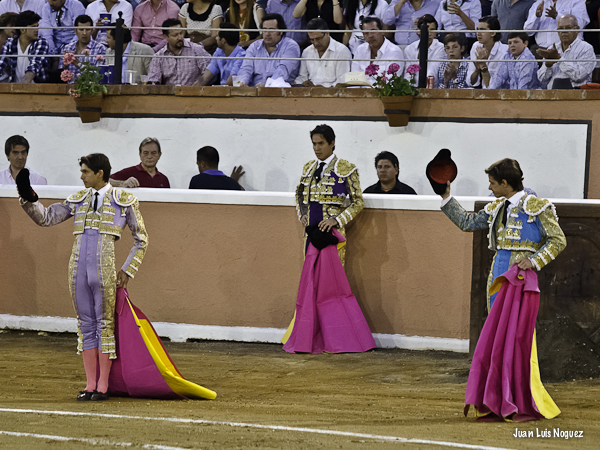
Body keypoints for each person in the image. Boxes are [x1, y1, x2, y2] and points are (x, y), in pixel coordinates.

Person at [439, 158, 566, 421]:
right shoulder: (497, 206)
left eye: (493, 183)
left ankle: (518, 397)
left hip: (520, 279)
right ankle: (496, 397)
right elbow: (467, 222)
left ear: (506, 183)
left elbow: (558, 240)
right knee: (497, 336)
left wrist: (534, 260)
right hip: (496, 278)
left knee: (517, 337)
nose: (490, 188)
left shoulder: (538, 207)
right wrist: (446, 199)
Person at [17, 153, 149, 401]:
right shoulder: (78, 199)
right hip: (77, 269)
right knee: (85, 325)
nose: (81, 176)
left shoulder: (124, 200)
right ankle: (90, 385)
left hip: (105, 271)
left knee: (104, 325)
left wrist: (128, 270)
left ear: (100, 173)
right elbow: (46, 218)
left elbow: (142, 239)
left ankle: (103, 385)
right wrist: (28, 197)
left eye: (85, 172)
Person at [295, 124, 364, 266]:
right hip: (310, 230)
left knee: (330, 273)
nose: (316, 148)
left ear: (332, 143)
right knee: (311, 273)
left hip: (331, 230)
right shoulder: (308, 168)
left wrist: (336, 220)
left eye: (321, 143)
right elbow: (300, 194)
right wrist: (302, 214)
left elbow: (357, 202)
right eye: (314, 144)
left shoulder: (346, 168)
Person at [237, 13, 301, 86]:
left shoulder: (291, 46)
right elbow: (246, 68)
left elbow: (283, 71)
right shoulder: (254, 46)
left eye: (271, 30)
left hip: (281, 91)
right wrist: (243, 82)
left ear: (281, 31)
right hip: (255, 90)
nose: (267, 34)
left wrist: (267, 85)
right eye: (264, 30)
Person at [537, 14, 595, 89]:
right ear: (558, 31)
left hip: (577, 95)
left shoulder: (586, 48)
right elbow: (542, 79)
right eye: (561, 28)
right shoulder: (552, 48)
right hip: (552, 95)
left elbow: (579, 76)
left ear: (577, 29)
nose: (564, 31)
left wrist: (559, 59)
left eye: (568, 28)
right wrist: (548, 66)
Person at [147, 18, 211, 85]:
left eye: (181, 33)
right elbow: (153, 81)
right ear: (166, 37)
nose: (180, 37)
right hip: (170, 94)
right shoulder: (158, 57)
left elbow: (209, 74)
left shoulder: (197, 50)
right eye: (175, 35)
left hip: (193, 93)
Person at [295, 17, 351, 87]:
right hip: (310, 94)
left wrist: (322, 90)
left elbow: (342, 81)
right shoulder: (306, 52)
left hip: (333, 95)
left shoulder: (342, 51)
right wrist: (297, 83)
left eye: (318, 39)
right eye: (312, 40)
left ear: (327, 33)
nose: (315, 43)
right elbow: (303, 77)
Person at [0, 10, 50, 83]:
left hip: (38, 89)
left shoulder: (41, 42)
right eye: (33, 27)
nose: (37, 30)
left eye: (37, 26)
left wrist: (23, 86)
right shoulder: (10, 42)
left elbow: (34, 65)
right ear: (22, 30)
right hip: (15, 88)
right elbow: (1, 63)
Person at [351, 16, 404, 83]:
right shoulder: (360, 49)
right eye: (366, 33)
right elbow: (355, 79)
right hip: (361, 92)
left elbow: (391, 83)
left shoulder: (394, 52)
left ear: (382, 31)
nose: (370, 36)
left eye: (373, 31)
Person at [524, 0, 589, 50]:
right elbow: (528, 32)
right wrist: (536, 17)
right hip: (542, 50)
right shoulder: (538, 3)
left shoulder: (576, 1)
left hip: (568, 50)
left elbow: (579, 25)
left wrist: (557, 16)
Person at [403, 14, 446, 86]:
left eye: (432, 30)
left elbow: (432, 72)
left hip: (432, 89)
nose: (429, 34)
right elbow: (408, 74)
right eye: (425, 30)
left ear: (436, 32)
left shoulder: (441, 48)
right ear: (418, 31)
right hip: (412, 90)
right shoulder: (409, 49)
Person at [59, 14, 107, 79]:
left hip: (91, 87)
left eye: (87, 29)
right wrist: (65, 66)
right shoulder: (68, 48)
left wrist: (79, 64)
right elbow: (61, 74)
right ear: (75, 31)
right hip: (70, 87)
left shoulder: (100, 49)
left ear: (92, 31)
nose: (84, 33)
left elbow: (98, 75)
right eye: (81, 29)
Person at [198, 21, 246, 85]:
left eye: (217, 36)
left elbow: (232, 82)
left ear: (223, 40)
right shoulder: (219, 51)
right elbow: (205, 77)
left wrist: (217, 92)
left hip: (236, 92)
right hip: (222, 90)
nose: (215, 38)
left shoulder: (241, 56)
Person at [467, 15, 507, 88]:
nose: (478, 33)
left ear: (493, 33)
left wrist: (483, 66)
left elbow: (493, 87)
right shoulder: (476, 46)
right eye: (477, 29)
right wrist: (477, 70)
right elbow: (471, 83)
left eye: (482, 30)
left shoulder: (504, 52)